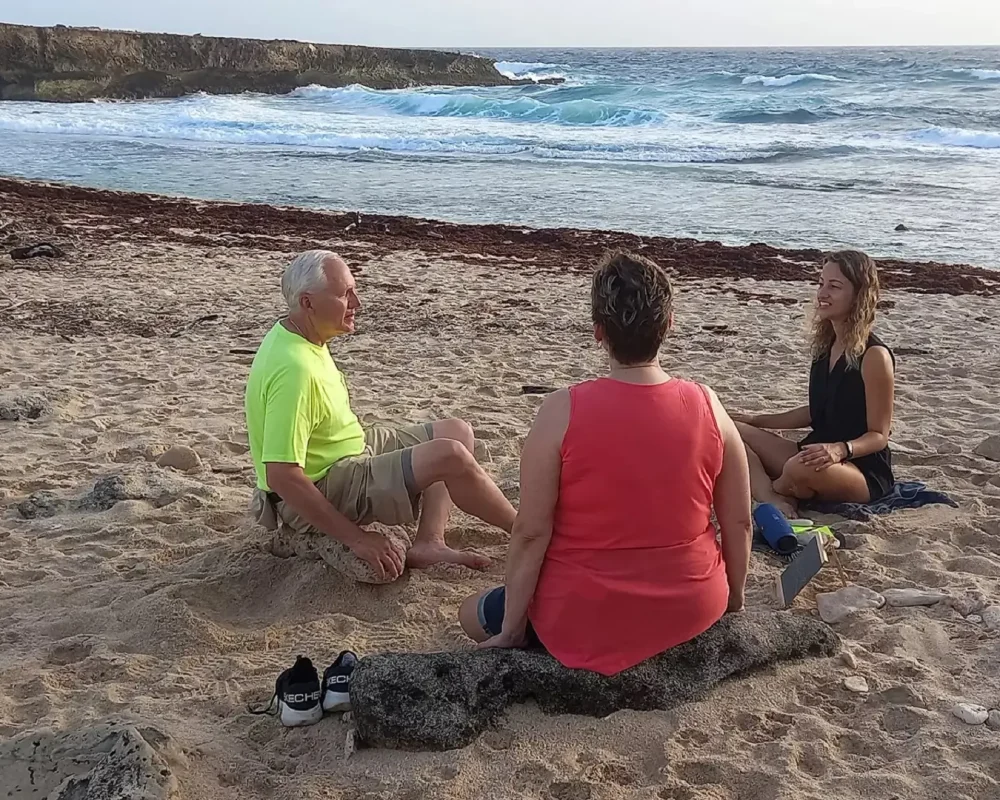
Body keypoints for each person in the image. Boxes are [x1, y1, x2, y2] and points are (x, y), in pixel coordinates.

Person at [457, 250, 753, 676]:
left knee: (471, 614)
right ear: (668, 324)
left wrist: (512, 629)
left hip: (583, 613)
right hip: (691, 604)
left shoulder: (561, 410)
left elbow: (531, 532)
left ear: (599, 332)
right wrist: (733, 597)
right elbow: (739, 522)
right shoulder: (709, 404)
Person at [245, 250, 517, 583]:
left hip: (349, 450)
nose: (356, 303)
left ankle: (429, 543)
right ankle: (526, 532)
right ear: (308, 303)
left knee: (456, 432)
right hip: (326, 482)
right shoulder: (294, 370)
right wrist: (357, 539)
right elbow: (281, 476)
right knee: (451, 456)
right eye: (345, 294)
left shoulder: (299, 335)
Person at [732, 250, 895, 518]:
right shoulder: (826, 346)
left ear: (859, 295)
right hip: (813, 453)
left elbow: (879, 435)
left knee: (798, 468)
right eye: (821, 283)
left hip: (859, 469)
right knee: (730, 430)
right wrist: (755, 420)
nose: (822, 293)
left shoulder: (874, 356)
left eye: (834, 286)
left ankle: (774, 489)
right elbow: (816, 410)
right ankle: (772, 495)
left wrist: (840, 449)